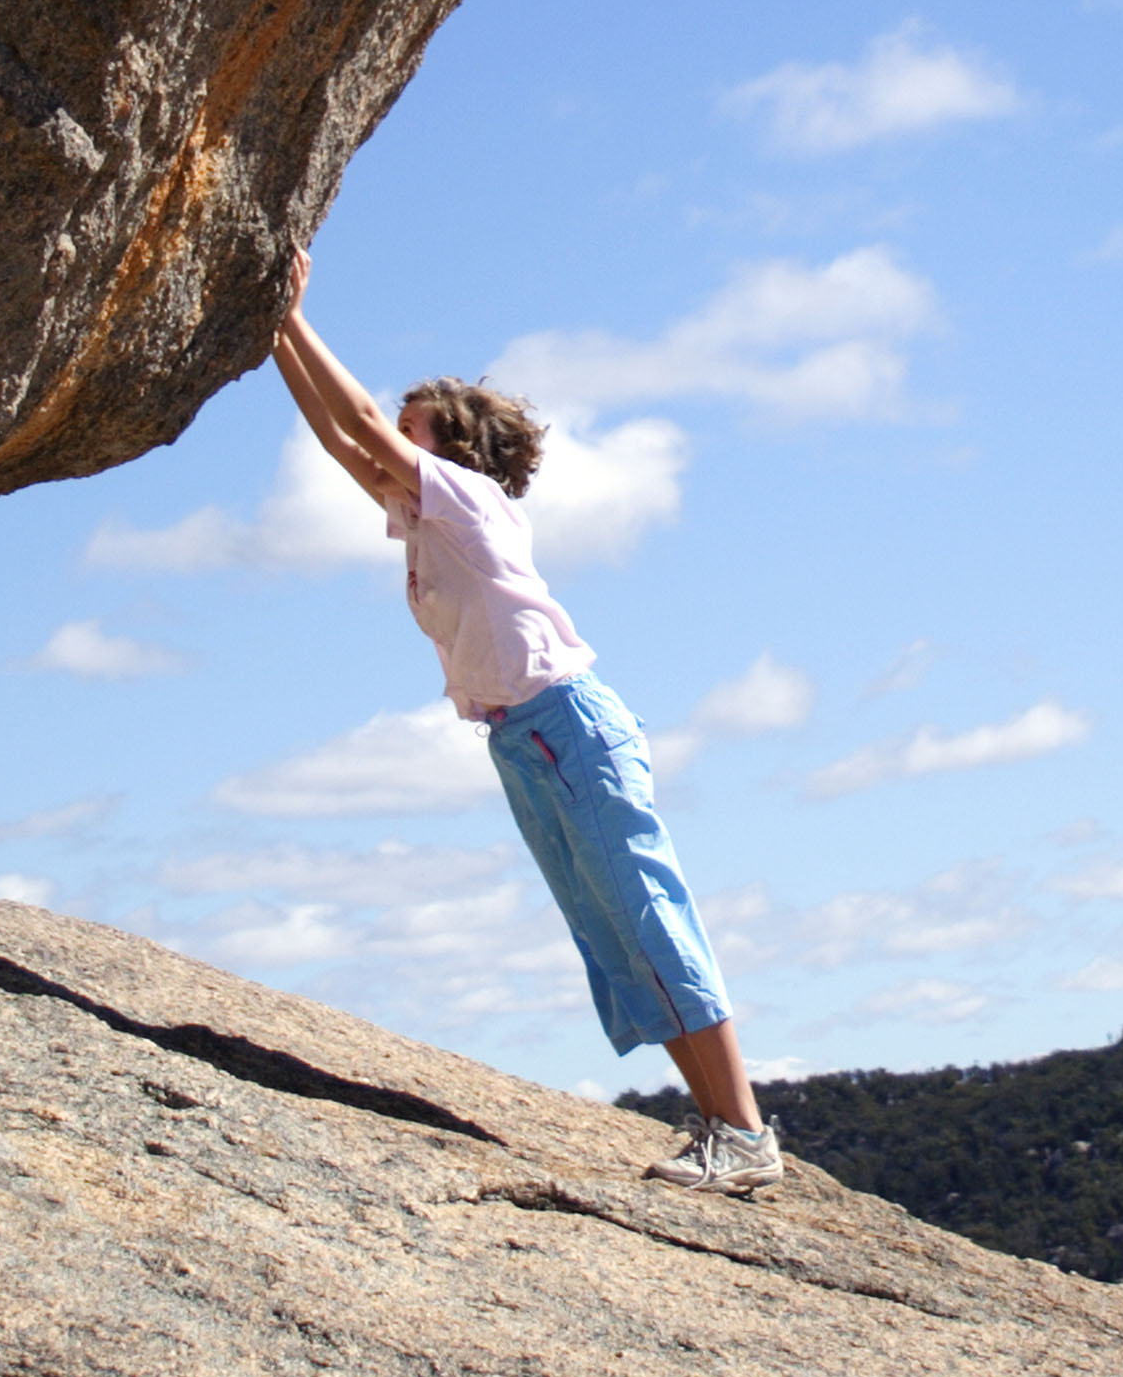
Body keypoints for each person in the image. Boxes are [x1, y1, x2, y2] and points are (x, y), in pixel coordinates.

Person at [268, 252, 783, 1196]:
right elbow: (346, 447)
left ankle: (743, 1131)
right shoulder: (427, 519)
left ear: (450, 444)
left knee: (648, 916)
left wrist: (292, 318)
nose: (394, 436)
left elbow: (361, 430)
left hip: (565, 725)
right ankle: (721, 1126)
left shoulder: (467, 501)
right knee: (617, 936)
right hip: (524, 741)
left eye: (414, 424)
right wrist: (271, 341)